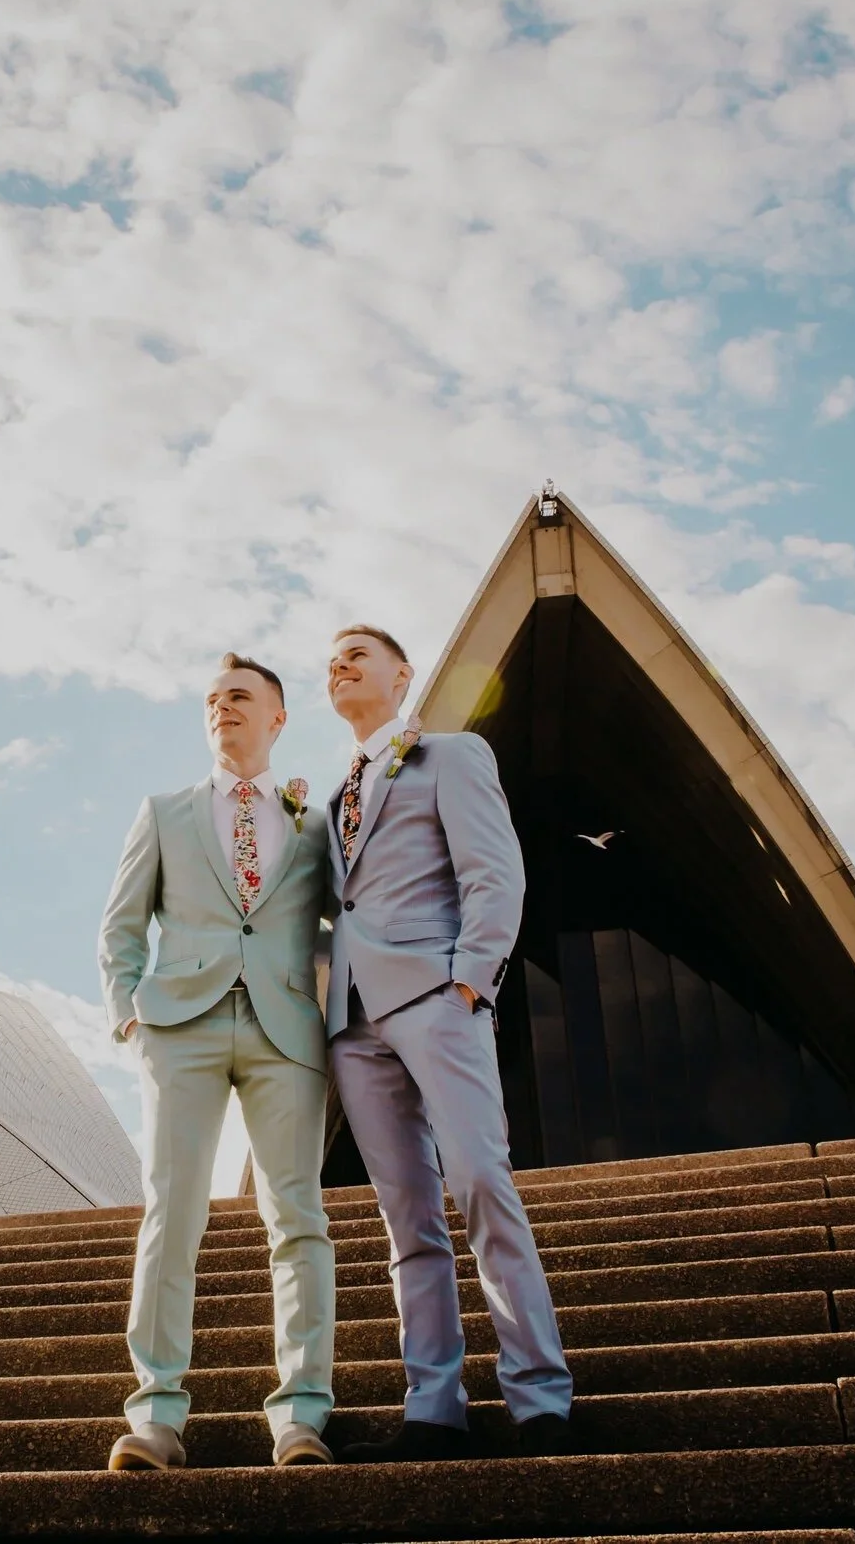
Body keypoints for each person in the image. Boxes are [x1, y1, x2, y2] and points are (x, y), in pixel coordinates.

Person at [321, 626, 577, 1461]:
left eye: (359, 652)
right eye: (333, 657)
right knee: (406, 1221)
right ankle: (433, 1406)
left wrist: (471, 980)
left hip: (437, 996)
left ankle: (539, 1395)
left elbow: (495, 871)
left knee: (478, 1179)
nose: (342, 663)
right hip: (354, 1028)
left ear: (403, 676)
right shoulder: (331, 802)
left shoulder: (451, 755)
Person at [97, 653, 336, 1471]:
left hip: (286, 1032)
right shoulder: (164, 811)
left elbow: (347, 919)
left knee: (298, 1220)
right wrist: (130, 1016)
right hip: (181, 1027)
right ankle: (157, 1413)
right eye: (211, 700)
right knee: (172, 1215)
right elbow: (120, 926)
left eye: (240, 697)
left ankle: (301, 1414)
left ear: (277, 717)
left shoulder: (318, 819)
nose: (222, 708)